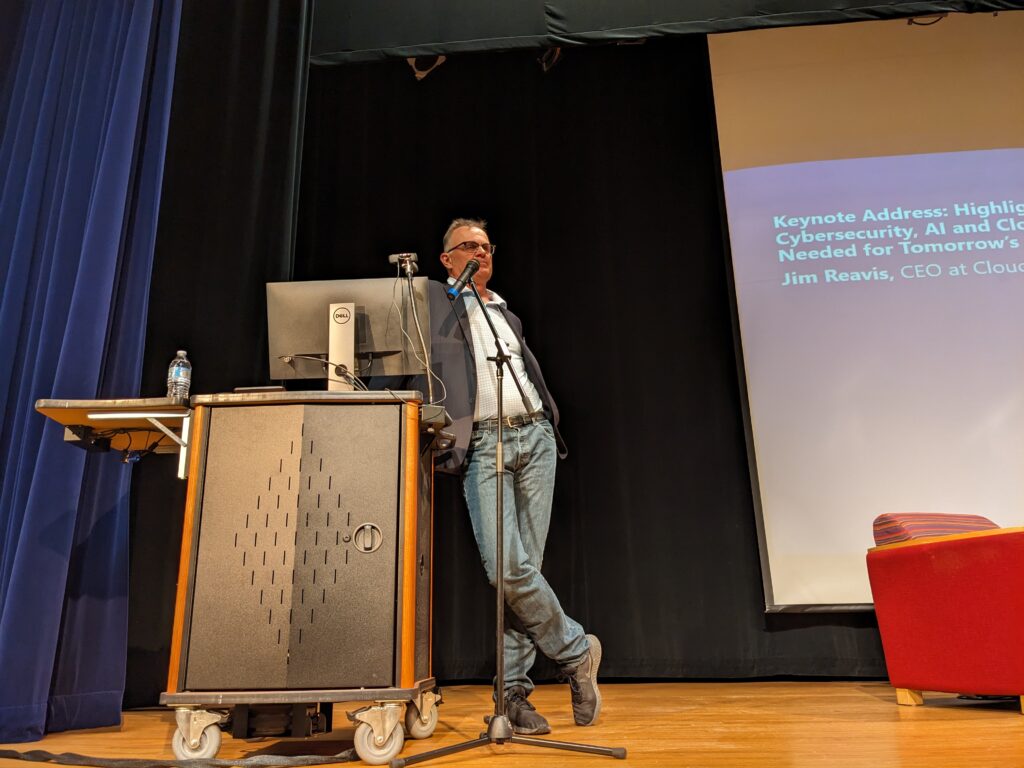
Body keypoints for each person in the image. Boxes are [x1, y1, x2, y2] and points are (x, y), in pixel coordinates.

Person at [431, 217, 601, 735]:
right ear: (447, 258)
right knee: (506, 569)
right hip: (483, 444)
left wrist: (548, 419)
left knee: (525, 568)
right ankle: (576, 652)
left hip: (535, 438)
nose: (481, 253)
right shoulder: (434, 307)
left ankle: (513, 700)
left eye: (486, 246)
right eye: (469, 246)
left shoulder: (506, 312)